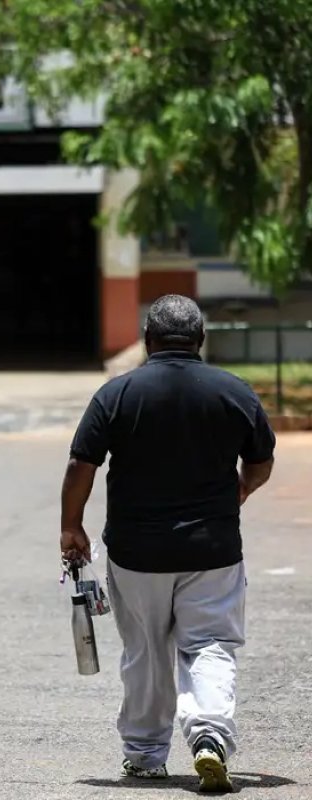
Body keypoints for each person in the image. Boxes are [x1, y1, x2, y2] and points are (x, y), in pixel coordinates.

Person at [61, 295, 275, 792]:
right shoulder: (234, 392)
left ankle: (144, 756)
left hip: (136, 554)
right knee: (212, 645)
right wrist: (240, 490)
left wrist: (71, 525)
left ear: (148, 340)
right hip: (214, 550)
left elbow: (81, 464)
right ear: (200, 341)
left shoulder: (117, 394)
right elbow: (261, 460)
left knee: (146, 652)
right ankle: (209, 738)